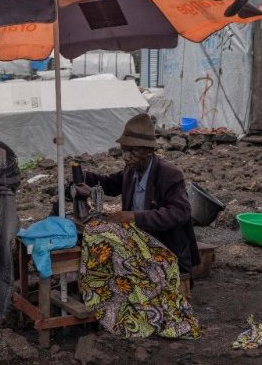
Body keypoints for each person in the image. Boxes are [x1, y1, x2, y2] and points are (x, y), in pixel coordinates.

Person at [76, 113, 199, 297]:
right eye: (124, 150)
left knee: (114, 260)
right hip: (138, 241)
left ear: (148, 150)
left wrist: (135, 217)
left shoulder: (169, 174)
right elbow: (110, 183)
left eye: (132, 151)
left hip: (165, 248)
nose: (125, 157)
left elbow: (180, 212)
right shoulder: (131, 170)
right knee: (98, 248)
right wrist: (85, 179)